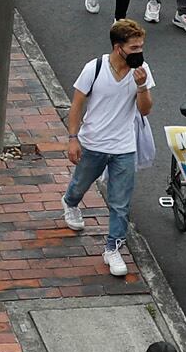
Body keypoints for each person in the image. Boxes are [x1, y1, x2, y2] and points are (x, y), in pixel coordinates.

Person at [65, 20, 154, 280]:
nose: (140, 51)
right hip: (93, 142)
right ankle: (70, 202)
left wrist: (142, 86)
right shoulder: (95, 68)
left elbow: (145, 109)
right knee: (80, 185)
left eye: (141, 46)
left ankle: (113, 247)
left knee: (120, 202)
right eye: (134, 47)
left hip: (124, 146)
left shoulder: (143, 70)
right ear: (118, 48)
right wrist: (73, 138)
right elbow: (76, 105)